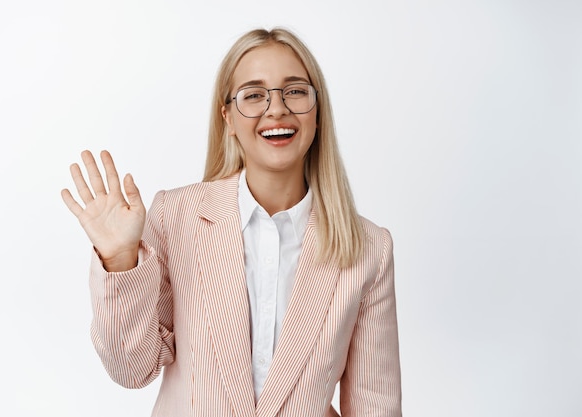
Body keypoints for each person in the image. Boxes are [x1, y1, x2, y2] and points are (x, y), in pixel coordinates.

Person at [61, 27, 402, 417]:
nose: (277, 109)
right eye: (254, 95)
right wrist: (120, 259)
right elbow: (131, 370)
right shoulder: (176, 216)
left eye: (294, 91)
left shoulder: (370, 248)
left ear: (317, 112)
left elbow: (376, 404)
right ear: (228, 118)